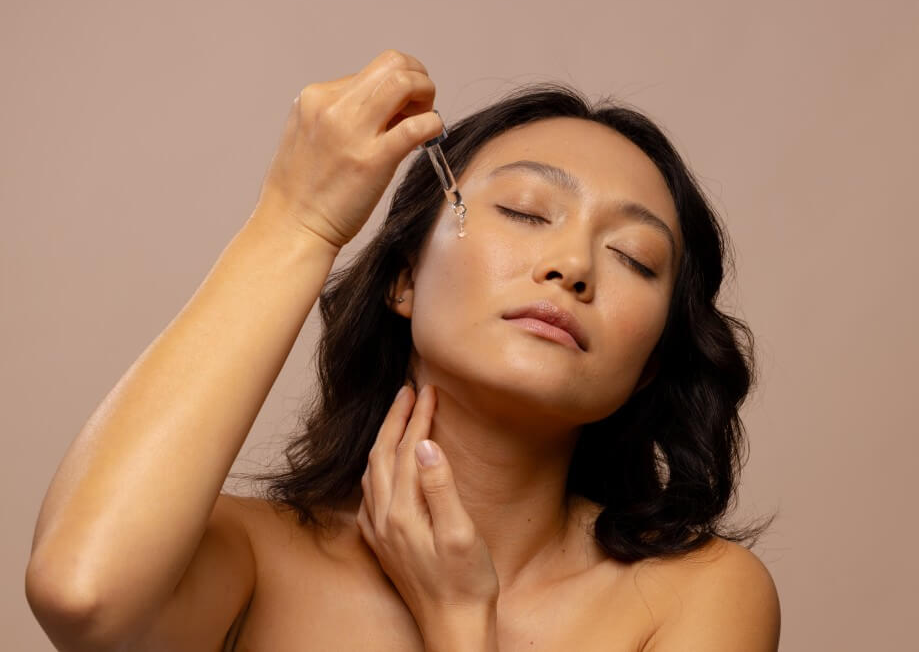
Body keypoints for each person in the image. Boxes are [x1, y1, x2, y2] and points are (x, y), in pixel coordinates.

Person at [26, 49, 780, 651]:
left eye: (635, 258)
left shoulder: (699, 596)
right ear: (403, 278)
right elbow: (80, 593)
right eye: (524, 211)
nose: (573, 266)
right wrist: (296, 219)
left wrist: (459, 623)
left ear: (650, 361)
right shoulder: (252, 561)